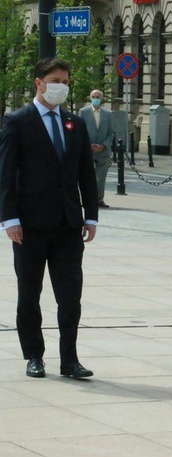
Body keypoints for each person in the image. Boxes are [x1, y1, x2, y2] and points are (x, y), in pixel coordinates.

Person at [0, 58, 98, 379]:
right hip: (28, 226)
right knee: (30, 293)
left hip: (68, 225)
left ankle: (69, 359)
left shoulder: (75, 124)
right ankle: (34, 355)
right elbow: (6, 174)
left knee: (70, 295)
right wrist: (9, 218)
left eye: (66, 81)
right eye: (56, 80)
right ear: (39, 83)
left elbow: (86, 172)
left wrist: (91, 216)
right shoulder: (17, 121)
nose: (62, 86)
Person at [79, 89, 115, 208]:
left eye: (98, 96)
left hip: (103, 151)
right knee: (86, 176)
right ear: (90, 98)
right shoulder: (83, 112)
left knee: (101, 177)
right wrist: (88, 145)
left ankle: (99, 199)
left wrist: (104, 145)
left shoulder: (108, 114)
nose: (96, 98)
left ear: (102, 99)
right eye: (94, 96)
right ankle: (86, 199)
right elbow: (80, 131)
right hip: (88, 150)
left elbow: (111, 133)